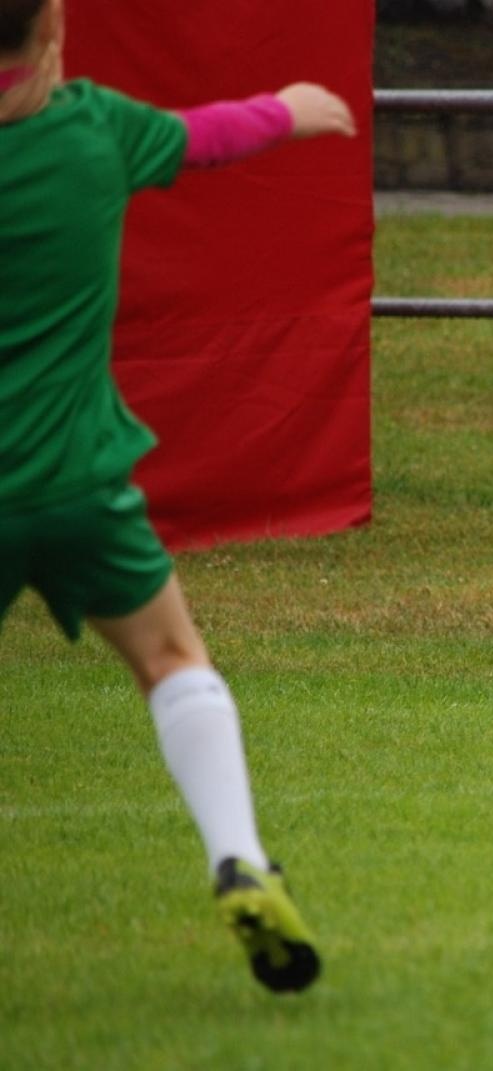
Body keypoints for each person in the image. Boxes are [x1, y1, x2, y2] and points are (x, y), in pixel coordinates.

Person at [0, 0, 355, 992]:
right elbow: (207, 138)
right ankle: (238, 859)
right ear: (54, 32)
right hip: (81, 485)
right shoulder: (94, 130)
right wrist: (289, 108)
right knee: (169, 658)